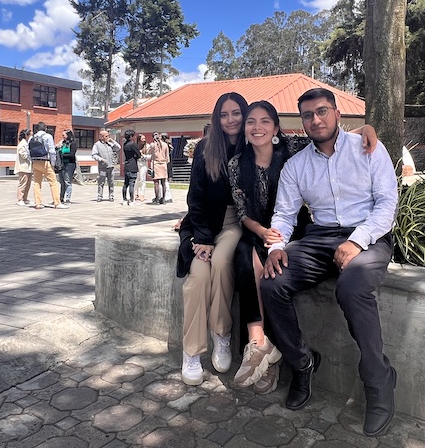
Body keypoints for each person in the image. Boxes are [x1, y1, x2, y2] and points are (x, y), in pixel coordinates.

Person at [260, 88, 398, 437]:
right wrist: (276, 247)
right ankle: (303, 363)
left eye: (322, 111)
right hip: (319, 238)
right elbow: (284, 214)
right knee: (272, 282)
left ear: (337, 113)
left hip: (368, 234)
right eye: (307, 115)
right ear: (302, 122)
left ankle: (379, 380)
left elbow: (386, 205)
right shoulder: (296, 164)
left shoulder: (368, 148)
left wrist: (357, 240)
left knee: (352, 287)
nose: (315, 120)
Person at [228, 100, 379, 395]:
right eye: (250, 122)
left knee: (276, 272)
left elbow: (334, 134)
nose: (257, 127)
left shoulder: (293, 148)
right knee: (246, 257)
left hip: (293, 230)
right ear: (245, 128)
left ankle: (271, 356)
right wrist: (263, 232)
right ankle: (259, 345)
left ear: (275, 127)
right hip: (262, 229)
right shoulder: (237, 162)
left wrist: (369, 128)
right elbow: (242, 211)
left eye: (264, 121)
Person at [177, 93, 249, 387]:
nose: (230, 120)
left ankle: (222, 334)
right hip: (203, 226)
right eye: (224, 114)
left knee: (221, 263)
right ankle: (191, 352)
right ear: (216, 119)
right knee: (198, 276)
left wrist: (361, 130)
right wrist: (201, 238)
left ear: (245, 115)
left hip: (234, 225)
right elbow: (194, 196)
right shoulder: (207, 148)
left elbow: (296, 144)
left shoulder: (253, 144)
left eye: (236, 113)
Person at [30, 123, 65, 209]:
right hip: (45, 161)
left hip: (35, 162)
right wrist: (53, 163)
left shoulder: (32, 137)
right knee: (53, 182)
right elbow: (52, 151)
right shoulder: (48, 136)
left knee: (37, 183)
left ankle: (38, 203)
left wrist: (32, 161)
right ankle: (57, 202)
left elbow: (28, 151)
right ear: (45, 128)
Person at [91, 129, 121, 202]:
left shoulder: (110, 144)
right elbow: (94, 155)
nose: (108, 137)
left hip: (111, 166)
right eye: (106, 136)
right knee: (101, 182)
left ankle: (111, 196)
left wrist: (112, 141)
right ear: (101, 137)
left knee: (111, 182)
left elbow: (118, 147)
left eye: (108, 136)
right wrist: (101, 159)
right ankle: (99, 196)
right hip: (103, 167)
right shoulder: (97, 145)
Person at [149, 133, 171, 205]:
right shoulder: (165, 145)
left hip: (156, 164)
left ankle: (157, 198)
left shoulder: (153, 145)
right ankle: (163, 198)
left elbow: (149, 152)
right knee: (163, 182)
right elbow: (167, 157)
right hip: (163, 164)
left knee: (156, 182)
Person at [57, 130, 77, 205]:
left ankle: (68, 198)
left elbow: (72, 154)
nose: (63, 137)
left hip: (69, 164)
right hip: (61, 164)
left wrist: (62, 155)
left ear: (68, 135)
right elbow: (57, 150)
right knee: (62, 182)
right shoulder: (63, 143)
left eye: (64, 135)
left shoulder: (73, 143)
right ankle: (61, 198)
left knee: (67, 181)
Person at [121, 130, 141, 206]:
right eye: (133, 135)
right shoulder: (133, 144)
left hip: (127, 165)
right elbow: (138, 154)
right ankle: (132, 200)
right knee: (132, 183)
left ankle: (124, 199)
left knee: (126, 184)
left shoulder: (125, 144)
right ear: (131, 136)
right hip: (133, 165)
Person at [14, 129, 33, 206]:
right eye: (30, 135)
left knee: (28, 184)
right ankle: (20, 199)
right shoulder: (22, 144)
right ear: (26, 135)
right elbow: (24, 155)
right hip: (23, 166)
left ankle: (25, 198)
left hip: (28, 167)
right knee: (23, 183)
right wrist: (30, 155)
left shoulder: (26, 144)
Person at [136, 133, 151, 203]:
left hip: (144, 164)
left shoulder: (147, 146)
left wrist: (143, 155)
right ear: (139, 140)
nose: (144, 140)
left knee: (142, 179)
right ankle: (136, 193)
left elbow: (150, 156)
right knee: (136, 179)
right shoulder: (135, 146)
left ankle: (142, 194)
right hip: (136, 163)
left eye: (144, 139)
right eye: (142, 139)